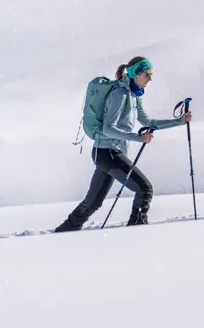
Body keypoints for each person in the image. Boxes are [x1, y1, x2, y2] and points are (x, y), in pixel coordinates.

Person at [55, 57, 191, 231]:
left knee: (93, 202)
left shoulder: (133, 95)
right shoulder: (120, 94)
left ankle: (65, 230)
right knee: (144, 189)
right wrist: (137, 138)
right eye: (147, 75)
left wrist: (179, 121)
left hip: (107, 153)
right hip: (108, 153)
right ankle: (137, 231)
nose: (150, 79)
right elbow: (108, 128)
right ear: (135, 74)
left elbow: (148, 121)